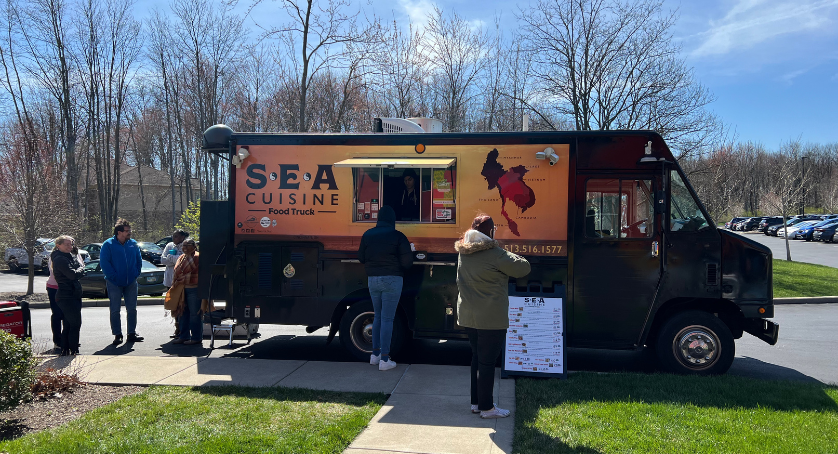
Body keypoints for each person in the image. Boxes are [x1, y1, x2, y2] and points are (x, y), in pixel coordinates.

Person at [455, 214, 530, 419]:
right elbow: (523, 268)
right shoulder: (495, 253)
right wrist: (503, 250)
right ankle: (487, 408)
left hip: (468, 314)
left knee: (477, 358)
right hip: (490, 317)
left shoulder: (463, 252)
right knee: (487, 362)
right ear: (490, 233)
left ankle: (476, 402)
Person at [357, 205, 412, 371]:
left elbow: (361, 258)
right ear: (392, 219)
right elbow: (407, 263)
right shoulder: (398, 236)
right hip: (392, 280)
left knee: (378, 317)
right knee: (388, 319)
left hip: (373, 280)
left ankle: (375, 356)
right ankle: (385, 359)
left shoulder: (367, 235)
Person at [100, 218, 144, 345]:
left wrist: (136, 274)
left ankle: (131, 333)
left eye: (130, 230)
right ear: (119, 232)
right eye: (127, 230)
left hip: (131, 282)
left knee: (132, 309)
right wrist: (113, 277)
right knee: (115, 309)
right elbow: (104, 263)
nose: (129, 232)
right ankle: (117, 334)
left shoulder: (133, 244)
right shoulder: (108, 244)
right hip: (114, 283)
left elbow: (138, 260)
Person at [51, 236, 85, 356]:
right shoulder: (60, 259)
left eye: (71, 245)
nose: (70, 247)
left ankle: (66, 350)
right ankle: (73, 349)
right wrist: (81, 269)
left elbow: (77, 271)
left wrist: (79, 270)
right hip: (66, 296)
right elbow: (72, 275)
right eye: (66, 245)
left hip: (74, 294)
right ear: (58, 245)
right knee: (75, 323)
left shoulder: (70, 256)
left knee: (69, 324)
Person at [171, 238, 201, 345]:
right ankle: (183, 336)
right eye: (183, 246)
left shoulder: (198, 257)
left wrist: (180, 279)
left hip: (194, 288)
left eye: (187, 245)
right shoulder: (181, 257)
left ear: (194, 246)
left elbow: (191, 272)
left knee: (194, 314)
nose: (184, 248)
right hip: (182, 289)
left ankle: (196, 337)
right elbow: (177, 272)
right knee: (182, 313)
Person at [161, 229, 189, 338]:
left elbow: (184, 260)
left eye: (176, 236)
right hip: (170, 280)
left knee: (182, 305)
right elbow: (163, 260)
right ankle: (177, 327)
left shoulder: (186, 245)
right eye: (173, 236)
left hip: (181, 281)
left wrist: (171, 258)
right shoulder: (169, 246)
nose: (174, 238)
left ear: (182, 237)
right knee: (173, 305)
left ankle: (184, 329)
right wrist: (174, 259)